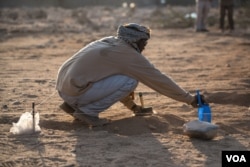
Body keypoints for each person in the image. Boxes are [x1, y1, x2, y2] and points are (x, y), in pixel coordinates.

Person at [56, 23, 207, 126]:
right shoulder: (127, 54)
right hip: (75, 90)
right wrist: (190, 99)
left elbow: (109, 79)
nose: (145, 47)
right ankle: (87, 112)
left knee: (123, 76)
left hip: (65, 88)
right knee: (131, 80)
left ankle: (72, 104)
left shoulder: (110, 41)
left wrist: (133, 107)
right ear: (135, 40)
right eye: (144, 43)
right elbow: (158, 79)